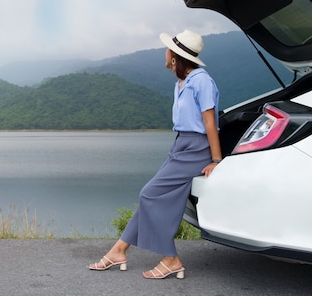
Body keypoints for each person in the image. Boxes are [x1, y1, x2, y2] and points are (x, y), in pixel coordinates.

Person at [88, 29, 222, 279]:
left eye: (168, 49)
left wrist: (216, 160)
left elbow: (209, 123)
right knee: (150, 199)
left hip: (196, 149)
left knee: (149, 194)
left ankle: (171, 258)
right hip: (181, 146)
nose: (165, 51)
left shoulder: (202, 80)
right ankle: (118, 251)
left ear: (175, 56)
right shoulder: (181, 83)